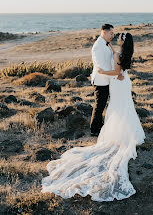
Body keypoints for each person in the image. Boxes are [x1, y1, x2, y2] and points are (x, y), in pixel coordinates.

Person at [41, 31, 145, 202]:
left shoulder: (119, 54)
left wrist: (102, 71)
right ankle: (130, 132)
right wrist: (111, 49)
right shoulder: (125, 53)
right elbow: (119, 65)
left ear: (122, 41)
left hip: (118, 82)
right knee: (125, 107)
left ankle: (119, 135)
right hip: (125, 82)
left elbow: (116, 72)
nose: (117, 37)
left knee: (117, 108)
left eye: (119, 37)